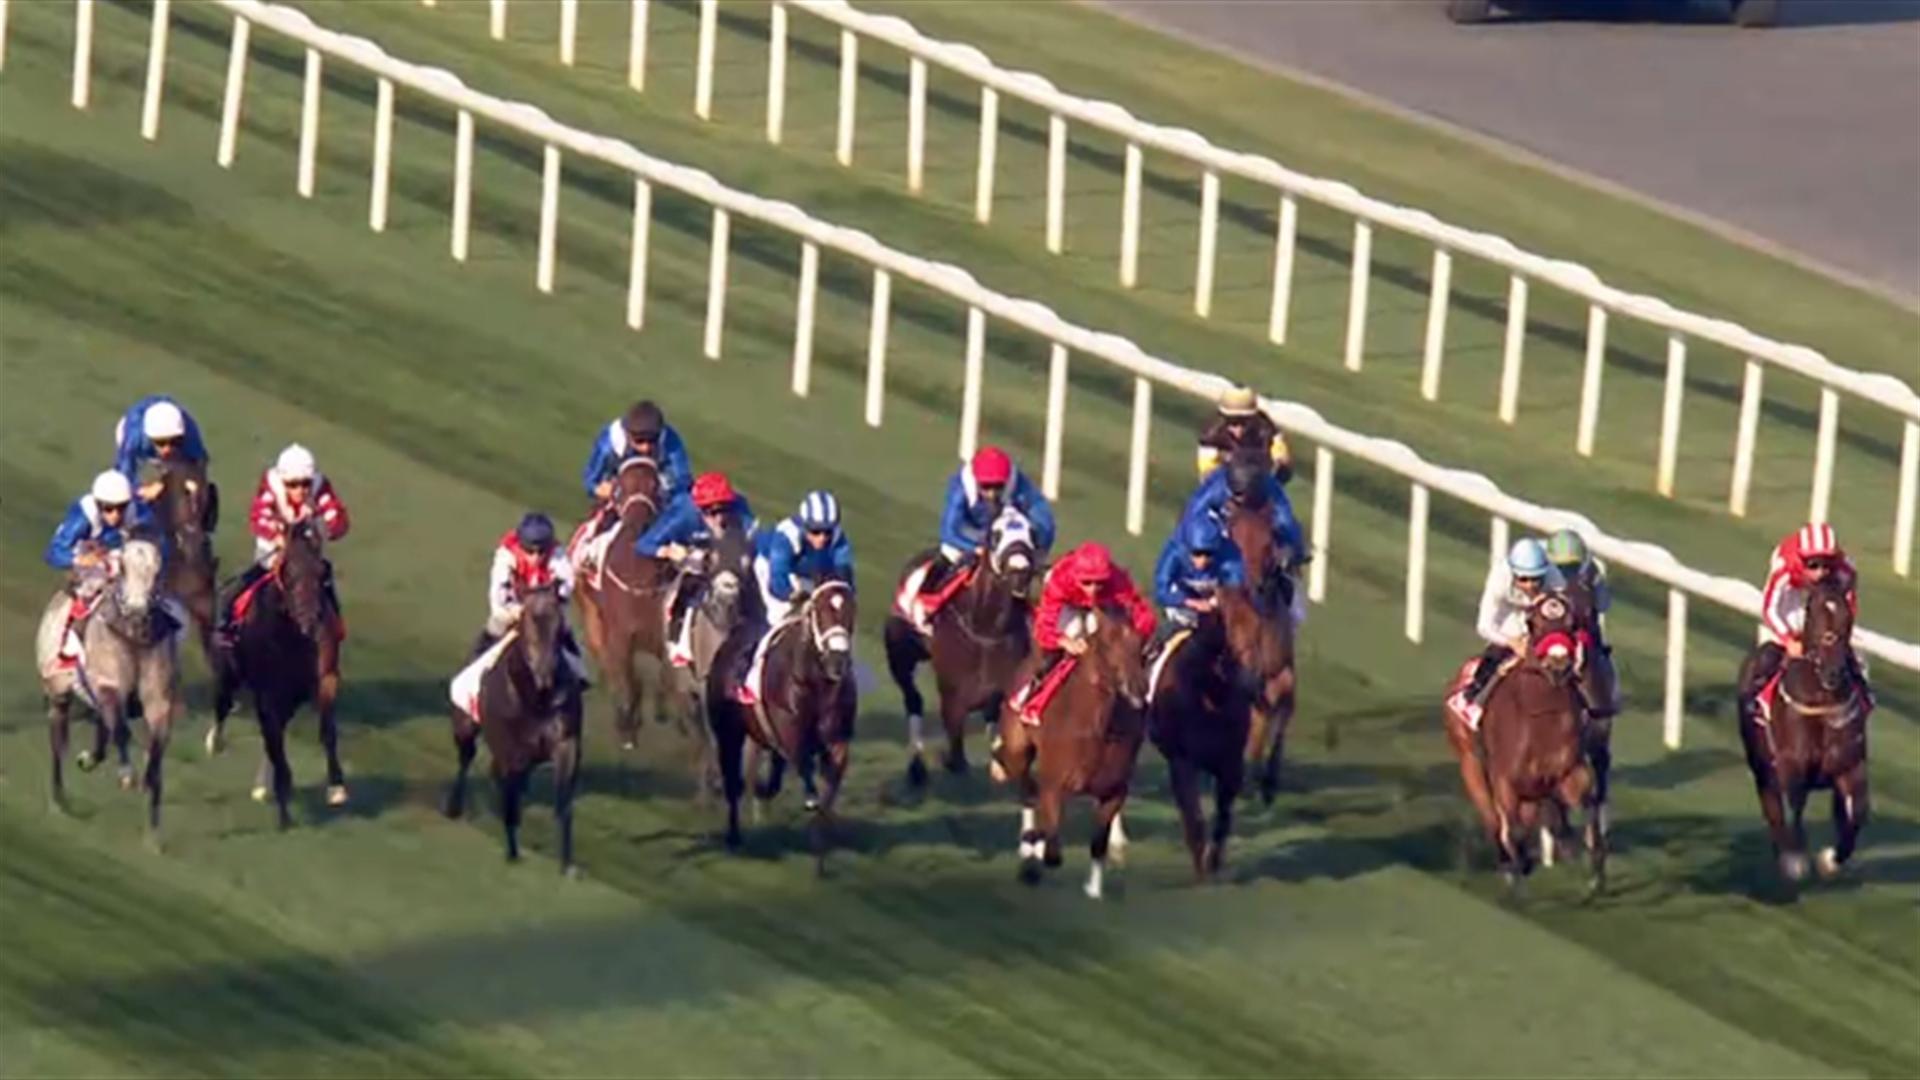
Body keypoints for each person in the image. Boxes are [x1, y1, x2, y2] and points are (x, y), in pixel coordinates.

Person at [1735, 522, 1870, 721]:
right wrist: (1788, 640)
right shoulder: (1784, 567)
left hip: (1826, 596)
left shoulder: (1845, 571)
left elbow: (1848, 608)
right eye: (1813, 565)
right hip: (1792, 595)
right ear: (1801, 560)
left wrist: (1838, 635)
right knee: (1775, 651)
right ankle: (1758, 699)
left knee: (1846, 653)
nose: (1820, 572)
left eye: (1827, 564)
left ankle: (1864, 695)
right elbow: (1769, 608)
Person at [217, 444, 351, 641]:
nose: (301, 490)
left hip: (308, 555)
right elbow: (258, 516)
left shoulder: (320, 487)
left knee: (324, 584)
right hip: (272, 552)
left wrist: (323, 526)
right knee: (240, 587)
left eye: (306, 484)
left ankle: (336, 628)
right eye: (293, 484)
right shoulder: (271, 486)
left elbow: (338, 519)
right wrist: (276, 536)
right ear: (282, 481)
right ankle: (228, 627)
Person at [1013, 541, 1156, 719]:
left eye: (1099, 583)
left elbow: (1143, 614)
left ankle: (1134, 692)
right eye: (1086, 583)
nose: (1093, 589)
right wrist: (1063, 641)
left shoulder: (1118, 581)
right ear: (1076, 577)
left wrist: (1136, 636)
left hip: (1100, 606)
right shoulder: (1061, 579)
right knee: (1070, 633)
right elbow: (1043, 627)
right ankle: (1031, 689)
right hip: (1067, 603)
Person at [738, 490, 855, 706]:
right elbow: (777, 582)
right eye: (815, 531)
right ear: (804, 526)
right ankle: (749, 677)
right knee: (778, 618)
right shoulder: (787, 536)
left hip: (808, 576)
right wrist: (796, 598)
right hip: (772, 570)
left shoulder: (839, 539)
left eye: (827, 532)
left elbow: (844, 577)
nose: (822, 538)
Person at [636, 472, 757, 667]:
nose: (719, 517)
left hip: (728, 558)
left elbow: (751, 536)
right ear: (699, 508)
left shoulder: (739, 508)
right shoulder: (684, 515)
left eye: (724, 509)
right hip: (691, 559)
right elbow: (644, 544)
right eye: (711, 512)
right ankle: (679, 641)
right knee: (690, 587)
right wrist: (667, 551)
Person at [916, 446, 1056, 611]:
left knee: (1033, 566)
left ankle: (1043, 612)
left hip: (1009, 534)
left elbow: (1046, 524)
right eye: (986, 486)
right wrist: (975, 548)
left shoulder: (1021, 485)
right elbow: (949, 531)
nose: (992, 493)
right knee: (949, 552)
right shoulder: (960, 488)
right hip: (972, 531)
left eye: (998, 486)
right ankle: (927, 596)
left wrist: (1035, 549)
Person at [1447, 538, 1566, 724]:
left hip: (1540, 615)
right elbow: (1484, 626)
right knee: (1499, 651)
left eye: (1536, 578)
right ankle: (1471, 695)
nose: (1530, 585)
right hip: (1509, 614)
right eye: (1523, 579)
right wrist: (1512, 643)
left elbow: (1562, 616)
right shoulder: (1499, 578)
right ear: (1513, 574)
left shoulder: (1555, 579)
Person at [474, 512, 585, 671]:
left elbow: (567, 583)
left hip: (546, 609)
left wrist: (551, 605)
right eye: (530, 552)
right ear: (521, 546)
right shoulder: (506, 556)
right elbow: (498, 597)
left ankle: (579, 673)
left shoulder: (557, 554)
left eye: (541, 552)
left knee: (567, 633)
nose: (536, 557)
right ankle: (474, 665)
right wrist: (516, 611)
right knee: (495, 625)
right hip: (513, 609)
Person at [1150, 513, 1245, 652]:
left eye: (1208, 554)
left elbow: (1238, 589)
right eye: (1197, 553)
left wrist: (1216, 602)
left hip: (1218, 603)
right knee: (1174, 631)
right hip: (1182, 601)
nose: (1203, 560)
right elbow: (1160, 591)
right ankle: (1153, 654)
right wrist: (1191, 603)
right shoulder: (1173, 554)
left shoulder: (1230, 555)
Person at [581, 400, 692, 516]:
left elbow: (683, 481)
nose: (646, 448)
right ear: (627, 434)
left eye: (652, 441)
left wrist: (664, 492)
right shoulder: (608, 444)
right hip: (616, 498)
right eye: (639, 441)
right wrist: (600, 489)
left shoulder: (671, 441)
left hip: (658, 500)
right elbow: (591, 480)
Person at [45, 470, 155, 582]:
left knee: (144, 556)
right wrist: (80, 560)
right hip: (86, 550)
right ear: (97, 504)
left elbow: (156, 530)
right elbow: (53, 552)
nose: (115, 514)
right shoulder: (83, 519)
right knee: (96, 578)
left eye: (121, 507)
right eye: (108, 508)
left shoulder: (135, 510)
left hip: (113, 545)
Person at [113, 395, 212, 506]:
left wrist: (199, 492)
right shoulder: (134, 438)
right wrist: (140, 491)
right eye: (161, 443)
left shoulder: (190, 434)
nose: (167, 449)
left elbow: (200, 464)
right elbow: (121, 479)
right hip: (134, 430)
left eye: (174, 442)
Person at [1196, 384, 1292, 485]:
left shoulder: (1267, 429)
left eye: (1244, 422)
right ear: (1224, 418)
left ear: (1253, 418)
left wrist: (1280, 464)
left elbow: (1283, 465)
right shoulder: (1211, 436)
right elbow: (1207, 476)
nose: (1239, 430)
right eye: (1233, 422)